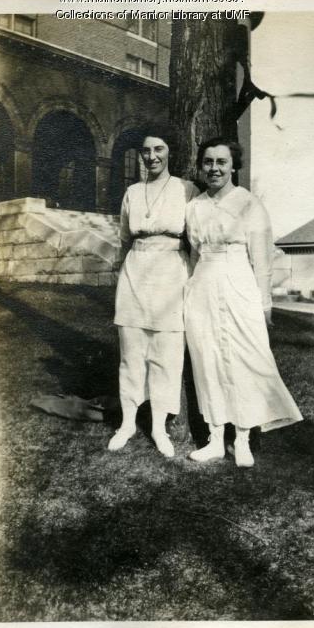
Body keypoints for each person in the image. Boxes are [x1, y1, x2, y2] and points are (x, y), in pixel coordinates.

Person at [184, 137, 303, 467]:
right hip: (203, 287)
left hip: (240, 286)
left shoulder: (249, 204)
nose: (214, 168)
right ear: (201, 167)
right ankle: (215, 439)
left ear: (234, 165)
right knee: (206, 359)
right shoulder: (193, 208)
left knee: (244, 360)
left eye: (222, 162)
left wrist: (264, 305)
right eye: (208, 162)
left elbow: (261, 261)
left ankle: (242, 438)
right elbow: (194, 255)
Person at [108, 125, 199, 458]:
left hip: (172, 273)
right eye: (146, 151)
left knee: (166, 354)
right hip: (135, 271)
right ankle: (128, 422)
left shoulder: (186, 190)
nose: (152, 156)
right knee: (131, 353)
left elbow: (196, 238)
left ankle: (159, 426)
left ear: (169, 152)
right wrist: (119, 276)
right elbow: (122, 239)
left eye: (158, 149)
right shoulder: (132, 192)